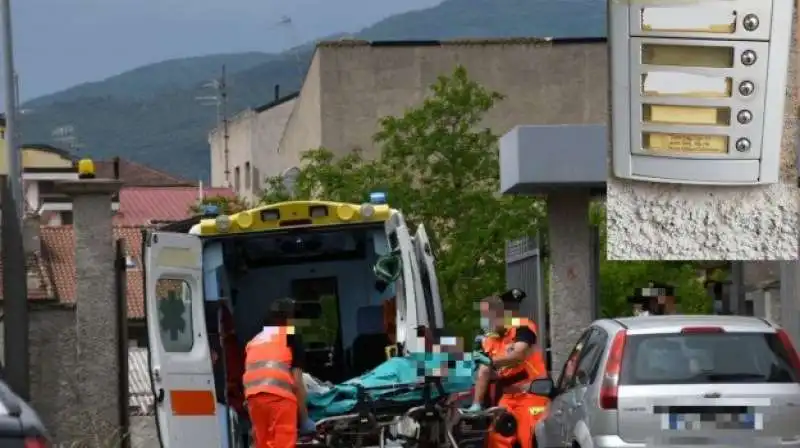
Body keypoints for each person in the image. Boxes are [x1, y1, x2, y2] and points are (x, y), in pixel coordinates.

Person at [467, 295, 549, 448]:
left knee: (529, 438)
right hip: (508, 398)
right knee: (496, 439)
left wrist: (491, 362)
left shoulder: (522, 326)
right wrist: (476, 404)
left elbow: (518, 356)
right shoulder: (489, 339)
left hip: (532, 395)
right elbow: (485, 369)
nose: (486, 323)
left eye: (488, 318)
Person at [243, 298, 315, 448]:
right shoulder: (290, 338)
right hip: (280, 400)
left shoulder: (254, 341)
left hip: (254, 400)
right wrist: (304, 418)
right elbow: (296, 383)